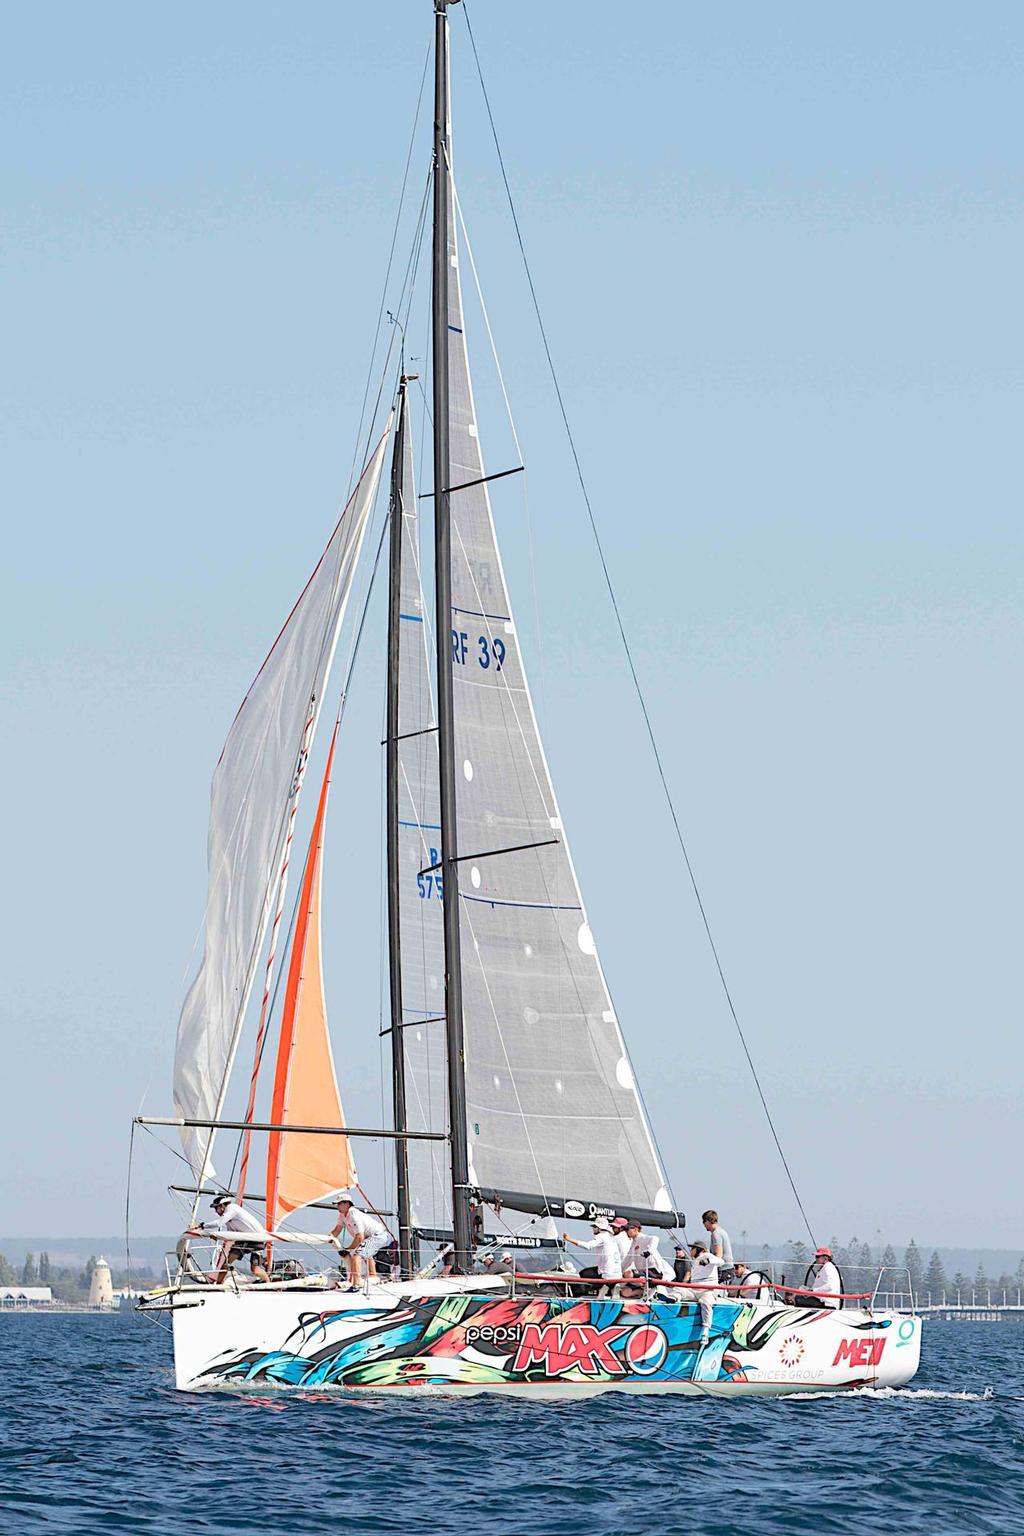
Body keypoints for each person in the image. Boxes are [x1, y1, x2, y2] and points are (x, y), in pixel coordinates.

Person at [201, 1193, 269, 1285]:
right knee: (251, 1268)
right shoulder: (228, 1218)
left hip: (254, 1239)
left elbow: (219, 1223)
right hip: (251, 1239)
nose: (215, 1211)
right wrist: (217, 1236)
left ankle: (218, 1285)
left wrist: (202, 1225)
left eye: (216, 1208)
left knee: (230, 1264)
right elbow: (230, 1234)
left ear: (222, 1206)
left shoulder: (232, 1208)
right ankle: (219, 1284)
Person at [329, 1197, 389, 1291]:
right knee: (365, 1253)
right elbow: (337, 1230)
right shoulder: (342, 1215)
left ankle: (356, 1285)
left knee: (356, 1255)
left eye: (339, 1204)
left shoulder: (353, 1214)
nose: (337, 1206)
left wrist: (348, 1249)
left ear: (347, 1204)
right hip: (369, 1236)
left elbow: (359, 1237)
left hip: (377, 1235)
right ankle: (373, 1277)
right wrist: (329, 1237)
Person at [673, 1241, 721, 1342]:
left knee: (705, 1302)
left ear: (699, 1249)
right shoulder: (695, 1261)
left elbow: (721, 1261)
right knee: (679, 1290)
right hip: (694, 1289)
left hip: (708, 1290)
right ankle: (673, 1298)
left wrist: (708, 1261)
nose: (690, 1251)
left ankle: (705, 1332)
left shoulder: (707, 1255)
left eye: (692, 1248)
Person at [562, 1217, 623, 1291]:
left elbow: (588, 1246)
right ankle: (610, 1288)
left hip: (607, 1274)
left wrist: (569, 1239)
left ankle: (603, 1288)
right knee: (593, 1271)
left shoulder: (601, 1236)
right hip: (618, 1274)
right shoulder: (611, 1237)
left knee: (583, 1273)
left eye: (594, 1226)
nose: (593, 1228)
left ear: (599, 1228)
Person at [702, 1209, 734, 1282]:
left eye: (704, 1221)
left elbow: (718, 1255)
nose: (703, 1224)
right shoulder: (720, 1231)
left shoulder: (716, 1234)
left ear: (708, 1221)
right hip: (727, 1269)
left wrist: (707, 1262)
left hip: (724, 1271)